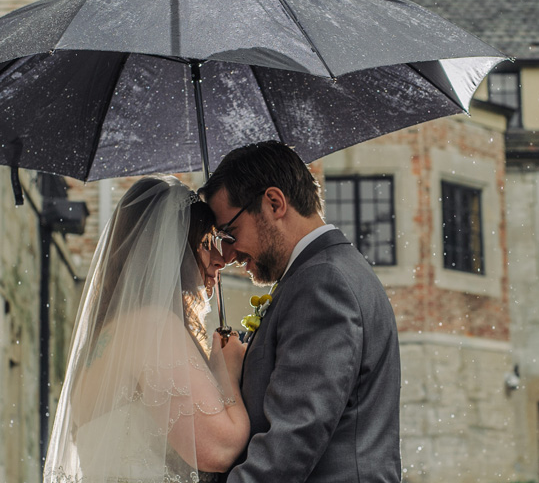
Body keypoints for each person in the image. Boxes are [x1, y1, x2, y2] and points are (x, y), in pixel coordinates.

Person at [199, 141, 401, 483]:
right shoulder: (322, 272)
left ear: (274, 203)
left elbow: (294, 436)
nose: (229, 255)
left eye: (230, 233)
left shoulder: (323, 282)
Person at [44, 176, 250, 483]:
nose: (220, 260)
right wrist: (228, 369)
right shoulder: (153, 327)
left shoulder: (105, 336)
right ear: (169, 250)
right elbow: (219, 450)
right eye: (206, 243)